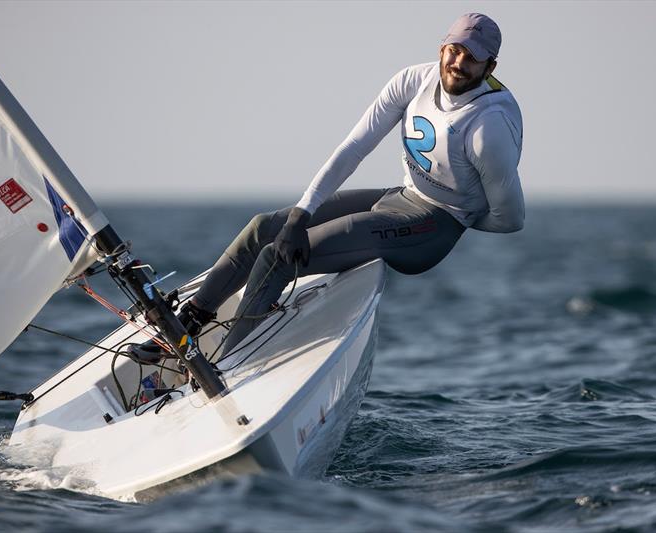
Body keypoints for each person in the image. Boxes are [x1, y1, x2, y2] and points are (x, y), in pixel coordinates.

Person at [130, 12, 524, 362]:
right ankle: (186, 328)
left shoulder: (487, 128)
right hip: (399, 198)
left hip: (432, 228)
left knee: (277, 258)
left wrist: (457, 218)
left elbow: (511, 219)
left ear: (490, 65)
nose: (459, 63)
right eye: (455, 50)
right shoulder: (412, 81)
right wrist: (301, 214)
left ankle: (228, 364)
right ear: (442, 47)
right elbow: (353, 148)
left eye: (472, 57)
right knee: (264, 229)